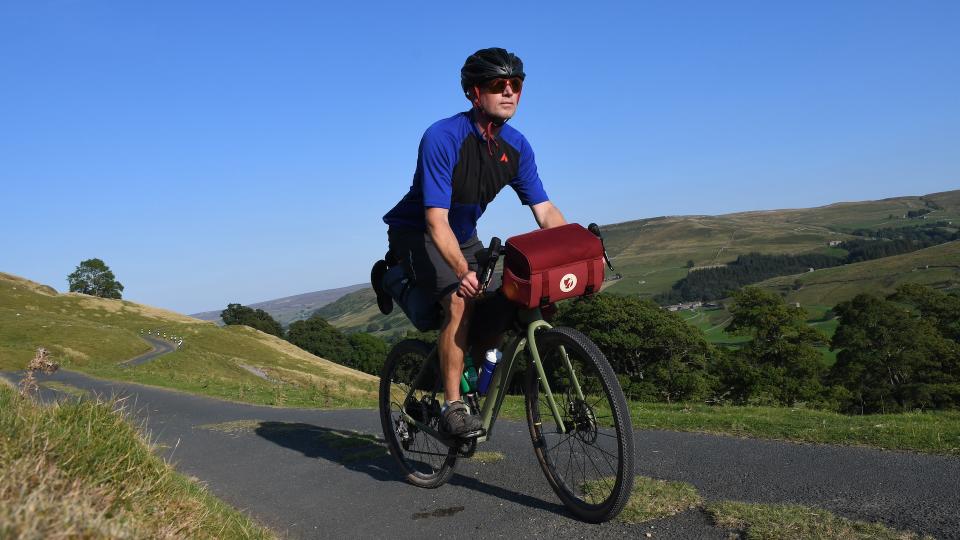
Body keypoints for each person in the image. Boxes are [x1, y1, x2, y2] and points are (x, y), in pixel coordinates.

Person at [373, 47, 567, 437]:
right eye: (498, 84)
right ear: (474, 93)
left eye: (516, 84)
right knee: (461, 300)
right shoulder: (443, 137)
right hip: (419, 232)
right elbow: (435, 220)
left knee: (502, 305)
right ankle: (452, 405)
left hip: (462, 235)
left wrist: (570, 251)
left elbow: (545, 210)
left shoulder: (516, 147)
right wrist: (462, 272)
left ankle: (473, 381)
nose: (509, 92)